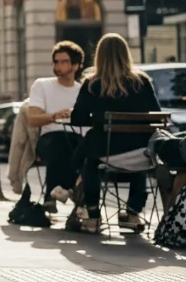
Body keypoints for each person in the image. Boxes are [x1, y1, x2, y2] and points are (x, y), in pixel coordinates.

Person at [69, 33, 161, 234]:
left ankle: (92, 213)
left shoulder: (92, 84)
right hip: (141, 155)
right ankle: (132, 212)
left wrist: (100, 120)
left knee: (90, 155)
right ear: (125, 54)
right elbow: (156, 116)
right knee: (137, 151)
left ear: (99, 56)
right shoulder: (142, 82)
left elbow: (76, 120)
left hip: (107, 153)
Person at [24, 41, 85, 213]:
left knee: (84, 148)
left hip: (76, 138)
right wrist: (54, 116)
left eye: (63, 62)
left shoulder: (82, 91)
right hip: (49, 138)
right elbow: (32, 119)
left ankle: (61, 192)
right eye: (55, 61)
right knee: (61, 143)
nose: (58, 66)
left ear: (75, 65)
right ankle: (66, 191)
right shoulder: (42, 85)